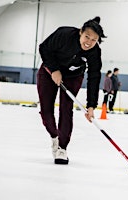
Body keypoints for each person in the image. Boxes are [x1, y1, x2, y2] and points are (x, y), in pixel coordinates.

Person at [37, 16, 106, 165]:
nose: (88, 42)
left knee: (66, 108)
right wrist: (54, 70)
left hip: (73, 77)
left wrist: (91, 106)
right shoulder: (64, 34)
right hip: (49, 71)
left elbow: (94, 77)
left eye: (94, 40)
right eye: (87, 37)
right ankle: (54, 137)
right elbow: (44, 48)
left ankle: (62, 148)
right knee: (46, 110)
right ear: (80, 32)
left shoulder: (94, 53)